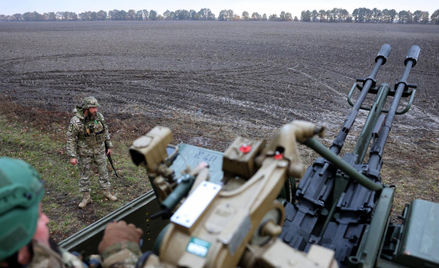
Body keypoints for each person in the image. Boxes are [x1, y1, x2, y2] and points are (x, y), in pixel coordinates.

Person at [0, 157, 143, 268]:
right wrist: (122, 258)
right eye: (37, 217)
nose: (46, 220)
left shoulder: (36, 254)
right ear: (11, 238)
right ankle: (86, 197)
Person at [66, 96, 117, 208]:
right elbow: (71, 139)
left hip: (99, 150)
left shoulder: (98, 117)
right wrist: (72, 156)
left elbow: (105, 131)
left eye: (96, 107)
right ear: (86, 109)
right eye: (93, 108)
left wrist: (108, 146)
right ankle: (86, 198)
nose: (95, 110)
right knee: (84, 175)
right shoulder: (76, 121)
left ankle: (106, 192)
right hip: (85, 152)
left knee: (103, 172)